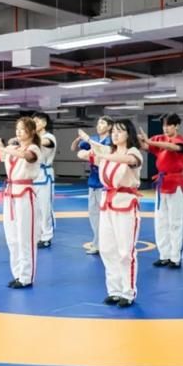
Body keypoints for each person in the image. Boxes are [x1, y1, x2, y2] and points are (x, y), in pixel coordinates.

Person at [77, 120, 143, 308]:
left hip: (125, 202)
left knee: (125, 251)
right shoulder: (108, 153)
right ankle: (114, 290)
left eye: (120, 131)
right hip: (107, 203)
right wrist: (90, 151)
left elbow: (129, 160)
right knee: (107, 248)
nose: (115, 134)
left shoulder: (133, 152)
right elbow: (83, 154)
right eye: (113, 131)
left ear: (128, 134)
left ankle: (128, 292)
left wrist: (101, 152)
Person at [0, 117, 42, 288]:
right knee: (12, 237)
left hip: (25, 193)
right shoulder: (12, 148)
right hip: (10, 194)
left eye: (22, 129)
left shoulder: (34, 148)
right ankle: (17, 273)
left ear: (32, 131)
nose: (18, 132)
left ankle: (26, 277)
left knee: (25, 236)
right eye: (17, 129)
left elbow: (27, 156)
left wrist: (4, 148)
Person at [138, 113, 183, 269]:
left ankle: (175, 257)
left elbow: (172, 147)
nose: (166, 128)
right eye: (164, 125)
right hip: (161, 184)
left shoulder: (181, 141)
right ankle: (164, 255)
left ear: (177, 126)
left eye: (169, 125)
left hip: (175, 183)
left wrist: (150, 141)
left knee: (175, 222)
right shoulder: (159, 139)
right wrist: (137, 139)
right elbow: (146, 147)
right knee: (161, 221)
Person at [70, 115, 114, 255]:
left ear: (109, 126)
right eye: (98, 123)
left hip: (105, 182)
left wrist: (89, 142)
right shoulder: (94, 139)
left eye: (102, 123)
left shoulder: (110, 140)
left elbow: (103, 151)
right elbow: (74, 149)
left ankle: (107, 243)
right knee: (93, 214)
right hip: (93, 181)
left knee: (105, 216)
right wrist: (78, 140)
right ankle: (97, 242)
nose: (99, 125)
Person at [32, 112, 56, 248]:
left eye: (37, 121)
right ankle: (37, 235)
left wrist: (29, 139)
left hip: (45, 174)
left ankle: (47, 236)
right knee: (35, 209)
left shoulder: (49, 137)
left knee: (45, 208)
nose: (34, 124)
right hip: (33, 174)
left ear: (44, 123)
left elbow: (46, 143)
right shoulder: (32, 138)